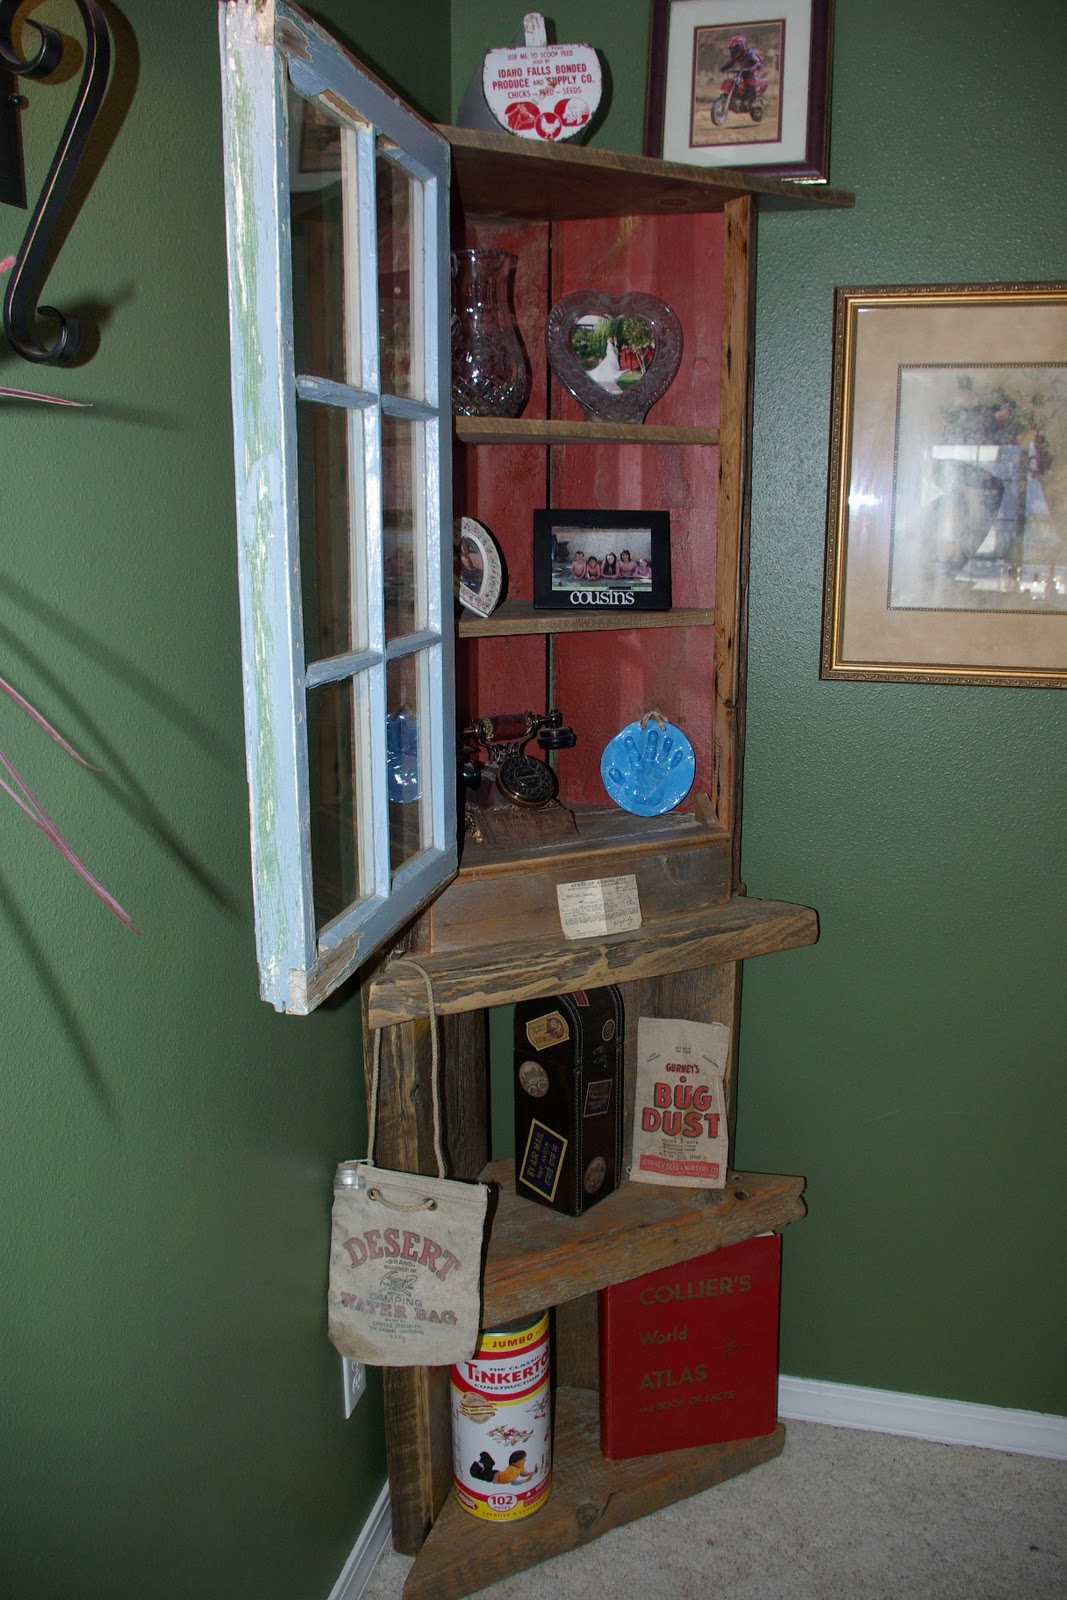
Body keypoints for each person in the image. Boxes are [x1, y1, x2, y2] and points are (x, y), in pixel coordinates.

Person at [724, 33, 763, 99]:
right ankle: (738, 97)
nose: (734, 51)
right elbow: (730, 64)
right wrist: (724, 68)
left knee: (751, 83)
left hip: (752, 71)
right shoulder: (735, 56)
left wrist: (754, 67)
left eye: (736, 48)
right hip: (743, 70)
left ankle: (754, 99)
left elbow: (758, 61)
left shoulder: (750, 53)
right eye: (732, 49)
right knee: (737, 82)